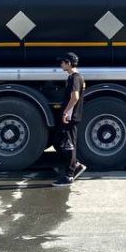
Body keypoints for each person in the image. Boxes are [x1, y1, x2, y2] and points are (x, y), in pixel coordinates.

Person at [52, 53, 87, 187]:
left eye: (62, 62)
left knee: (69, 145)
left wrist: (66, 112)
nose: (61, 65)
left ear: (69, 63)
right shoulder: (75, 77)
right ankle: (75, 165)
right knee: (57, 142)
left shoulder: (74, 77)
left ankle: (69, 175)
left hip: (71, 116)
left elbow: (75, 97)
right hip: (71, 115)